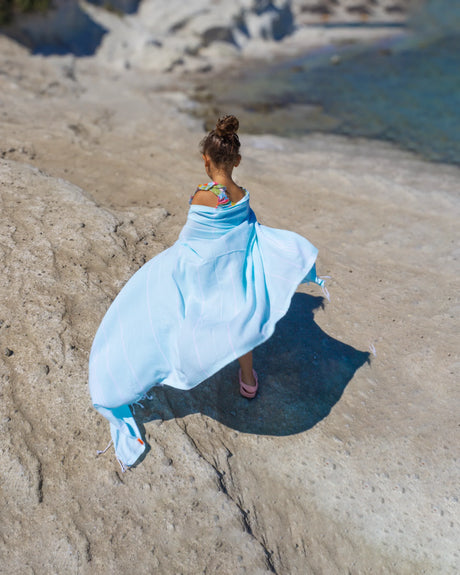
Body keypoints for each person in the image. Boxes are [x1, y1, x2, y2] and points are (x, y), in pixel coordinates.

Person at [89, 115, 325, 470]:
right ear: (238, 161)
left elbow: (193, 239)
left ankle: (169, 363)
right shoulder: (241, 195)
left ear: (206, 161)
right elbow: (245, 229)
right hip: (232, 272)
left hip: (203, 270)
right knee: (240, 316)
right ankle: (247, 379)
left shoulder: (204, 194)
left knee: (167, 308)